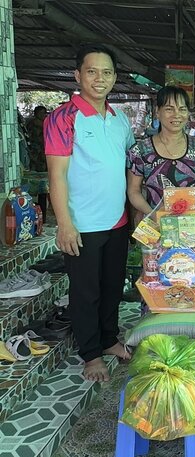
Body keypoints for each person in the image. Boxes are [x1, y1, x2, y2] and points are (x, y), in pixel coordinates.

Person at [44, 43, 135, 382]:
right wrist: (64, 225)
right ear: (78, 75)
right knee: (85, 292)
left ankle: (109, 340)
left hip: (117, 220)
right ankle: (91, 355)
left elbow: (128, 166)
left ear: (114, 77)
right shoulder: (62, 119)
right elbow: (57, 177)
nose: (100, 78)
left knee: (112, 286)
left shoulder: (119, 119)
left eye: (107, 72)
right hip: (81, 223)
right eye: (92, 71)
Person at [126, 86, 195, 214]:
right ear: (157, 112)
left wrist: (185, 209)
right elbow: (133, 191)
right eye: (169, 109)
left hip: (192, 223)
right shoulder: (140, 150)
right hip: (156, 224)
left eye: (182, 109)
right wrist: (153, 215)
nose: (176, 115)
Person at [26, 105, 48, 172]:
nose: (43, 115)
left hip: (45, 149)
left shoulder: (47, 122)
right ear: (36, 114)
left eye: (44, 113)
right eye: (40, 113)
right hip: (35, 149)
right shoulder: (32, 124)